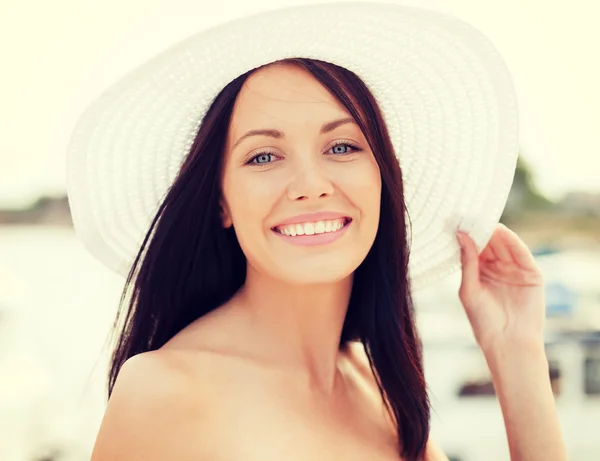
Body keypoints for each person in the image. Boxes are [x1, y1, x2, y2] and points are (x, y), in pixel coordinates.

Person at [65, 3, 567, 461]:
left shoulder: (381, 393)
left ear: (382, 178)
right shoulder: (167, 390)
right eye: (264, 156)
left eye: (342, 147)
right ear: (221, 201)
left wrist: (516, 350)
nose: (310, 186)